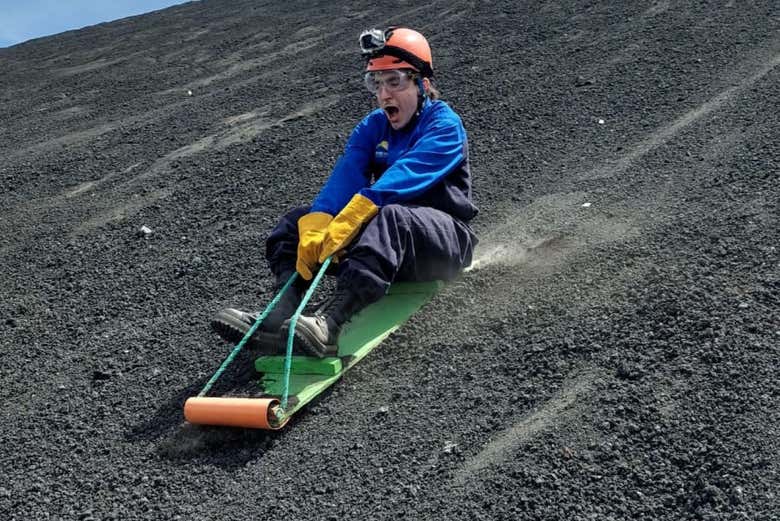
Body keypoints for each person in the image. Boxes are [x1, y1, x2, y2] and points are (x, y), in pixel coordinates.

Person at [212, 26, 478, 358]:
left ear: (422, 83)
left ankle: (329, 324)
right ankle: (281, 315)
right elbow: (347, 175)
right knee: (298, 221)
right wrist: (321, 220)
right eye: (376, 84)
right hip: (387, 246)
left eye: (394, 81)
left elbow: (405, 175)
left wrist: (354, 215)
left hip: (442, 243)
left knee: (392, 216)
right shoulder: (373, 126)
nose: (384, 95)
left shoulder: (444, 125)